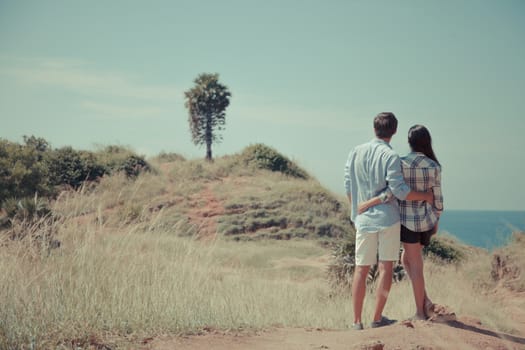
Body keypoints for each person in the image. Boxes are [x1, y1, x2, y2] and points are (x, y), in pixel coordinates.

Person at [344, 113, 433, 330]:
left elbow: (348, 185)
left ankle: (356, 322)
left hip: (363, 220)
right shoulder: (391, 156)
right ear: (394, 131)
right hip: (388, 219)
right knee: (386, 268)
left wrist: (359, 209)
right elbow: (399, 191)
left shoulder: (356, 151)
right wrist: (425, 196)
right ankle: (377, 318)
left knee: (361, 269)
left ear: (374, 128)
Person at [358, 124, 443, 321]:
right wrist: (436, 220)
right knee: (409, 260)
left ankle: (420, 313)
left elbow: (395, 192)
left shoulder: (401, 163)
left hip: (407, 221)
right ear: (427, 142)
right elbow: (437, 198)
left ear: (409, 142)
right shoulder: (434, 166)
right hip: (426, 221)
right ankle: (426, 301)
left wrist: (370, 203)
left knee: (414, 264)